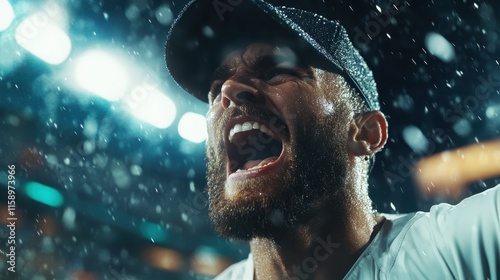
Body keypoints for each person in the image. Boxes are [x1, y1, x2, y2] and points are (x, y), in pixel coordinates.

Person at [165, 0, 500, 279]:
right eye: (214, 90)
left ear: (366, 134)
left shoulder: (461, 246)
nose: (227, 90)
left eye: (275, 71)